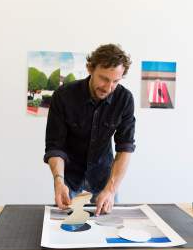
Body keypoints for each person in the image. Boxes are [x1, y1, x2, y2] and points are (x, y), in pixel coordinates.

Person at [44, 44, 136, 216]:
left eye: (115, 81)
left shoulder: (124, 100)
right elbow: (55, 146)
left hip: (105, 179)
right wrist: (58, 181)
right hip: (69, 179)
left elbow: (125, 147)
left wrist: (110, 190)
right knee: (65, 231)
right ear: (90, 69)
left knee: (107, 230)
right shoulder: (63, 97)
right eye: (104, 78)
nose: (108, 88)